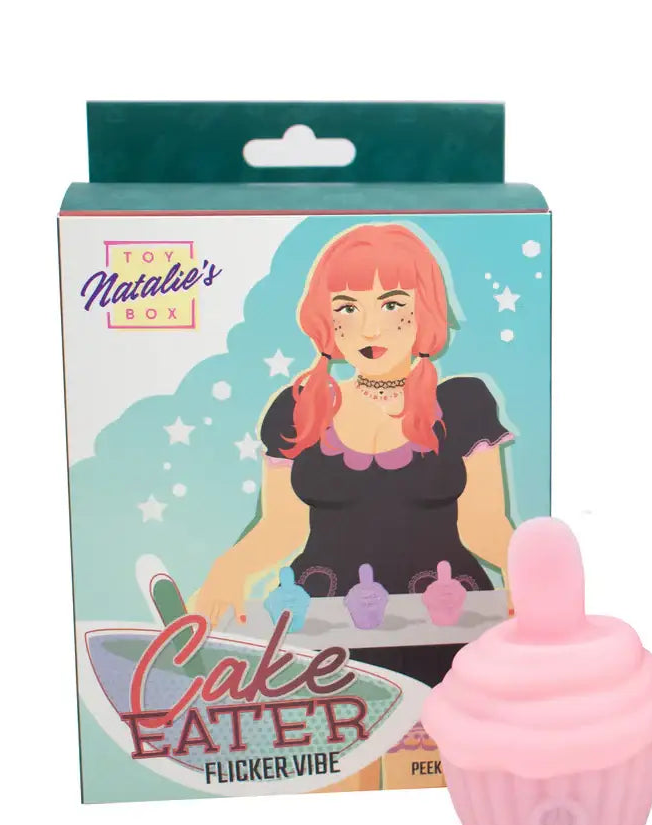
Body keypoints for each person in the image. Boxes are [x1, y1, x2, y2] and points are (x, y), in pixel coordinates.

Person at [190, 223, 515, 692]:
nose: (369, 327)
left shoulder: (463, 404)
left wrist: (526, 579)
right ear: (327, 318)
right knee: (338, 734)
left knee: (437, 733)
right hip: (324, 620)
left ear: (424, 308)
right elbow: (281, 527)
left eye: (392, 304)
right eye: (347, 307)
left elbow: (484, 524)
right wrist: (229, 569)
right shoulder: (298, 409)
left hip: (444, 614)